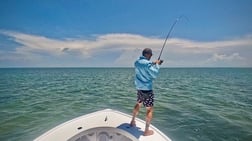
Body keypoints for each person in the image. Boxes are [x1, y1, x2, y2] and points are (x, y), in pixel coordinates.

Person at [130, 48, 163, 136]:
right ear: (148, 54)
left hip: (139, 89)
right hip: (147, 90)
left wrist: (154, 62)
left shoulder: (136, 62)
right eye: (151, 55)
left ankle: (132, 121)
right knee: (149, 110)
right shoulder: (148, 64)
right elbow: (154, 74)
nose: (151, 56)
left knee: (138, 103)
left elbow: (145, 65)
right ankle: (146, 131)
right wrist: (158, 65)